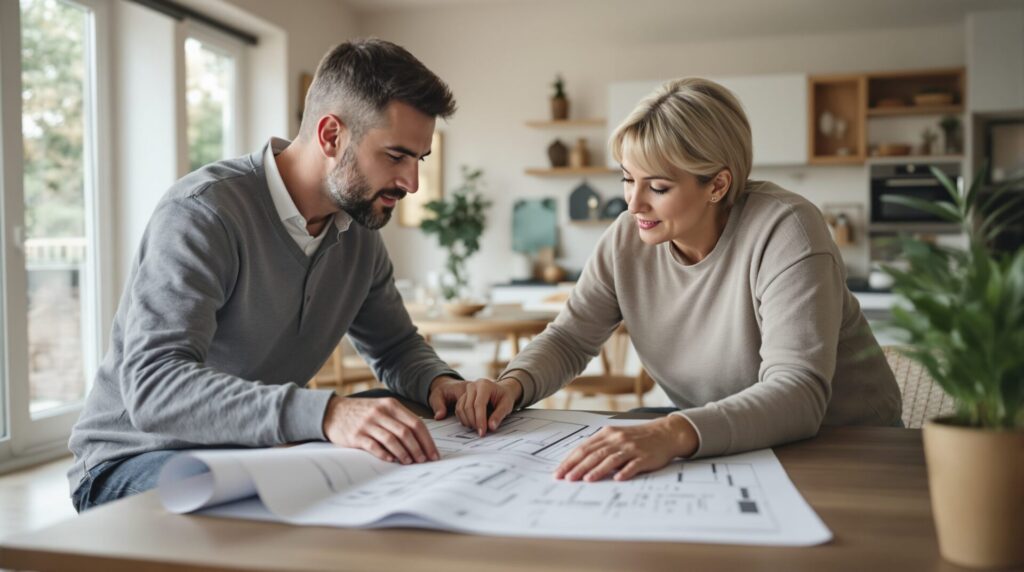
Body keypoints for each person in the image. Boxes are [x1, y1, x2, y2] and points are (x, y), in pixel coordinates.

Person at [68, 39, 471, 511]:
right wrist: (327, 413)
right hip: (137, 457)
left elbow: (396, 347)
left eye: (418, 160)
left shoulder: (359, 232)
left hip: (252, 451)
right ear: (330, 136)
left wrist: (442, 385)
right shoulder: (204, 213)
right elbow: (154, 386)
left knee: (400, 413)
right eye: (396, 156)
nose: (411, 183)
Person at [456, 78, 902, 482]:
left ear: (718, 185)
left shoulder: (787, 230)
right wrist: (512, 385)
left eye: (658, 187)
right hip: (730, 449)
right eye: (628, 180)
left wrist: (673, 430)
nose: (634, 204)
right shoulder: (627, 239)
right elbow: (571, 338)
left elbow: (798, 393)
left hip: (849, 451)